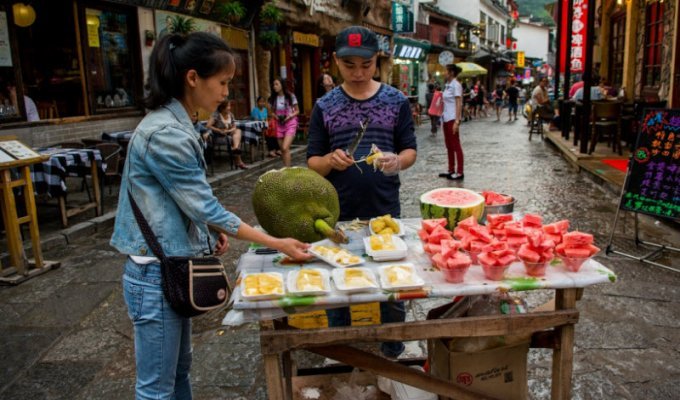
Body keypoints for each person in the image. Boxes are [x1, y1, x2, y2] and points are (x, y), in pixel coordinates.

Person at [109, 32, 311, 400]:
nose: (225, 92)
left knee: (180, 371)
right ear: (192, 78)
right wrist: (274, 241)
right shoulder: (167, 132)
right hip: (155, 274)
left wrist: (204, 233)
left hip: (170, 264)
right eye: (222, 83)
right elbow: (203, 205)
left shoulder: (180, 122)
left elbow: (183, 199)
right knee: (156, 389)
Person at [307, 26, 417, 359]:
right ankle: (339, 347)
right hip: (335, 213)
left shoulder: (396, 101)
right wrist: (329, 160)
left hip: (384, 209)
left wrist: (395, 161)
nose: (357, 73)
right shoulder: (325, 106)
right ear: (336, 62)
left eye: (366, 65)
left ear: (377, 62)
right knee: (337, 280)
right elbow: (312, 162)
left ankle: (393, 344)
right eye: (349, 64)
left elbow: (410, 151)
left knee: (391, 280)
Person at [438, 63, 464, 180]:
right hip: (445, 117)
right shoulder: (447, 85)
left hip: (453, 118)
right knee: (448, 145)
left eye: (446, 71)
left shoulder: (456, 85)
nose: (444, 73)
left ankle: (460, 172)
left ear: (451, 73)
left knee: (456, 145)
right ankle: (451, 169)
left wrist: (457, 121)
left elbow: (459, 103)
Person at [207, 99, 248, 169]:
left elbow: (234, 126)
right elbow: (208, 126)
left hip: (228, 133)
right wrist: (219, 130)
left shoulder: (231, 115)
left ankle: (235, 149)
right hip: (219, 136)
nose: (229, 108)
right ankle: (239, 161)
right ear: (222, 107)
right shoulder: (216, 115)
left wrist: (229, 130)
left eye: (229, 106)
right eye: (227, 106)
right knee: (235, 139)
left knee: (238, 131)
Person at [269, 77, 299, 167]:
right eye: (274, 84)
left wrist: (289, 116)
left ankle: (288, 170)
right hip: (279, 124)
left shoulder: (290, 96)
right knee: (283, 149)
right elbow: (271, 112)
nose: (275, 86)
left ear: (282, 85)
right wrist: (276, 117)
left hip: (290, 123)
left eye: (277, 84)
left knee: (285, 147)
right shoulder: (273, 98)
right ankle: (287, 169)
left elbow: (297, 111)